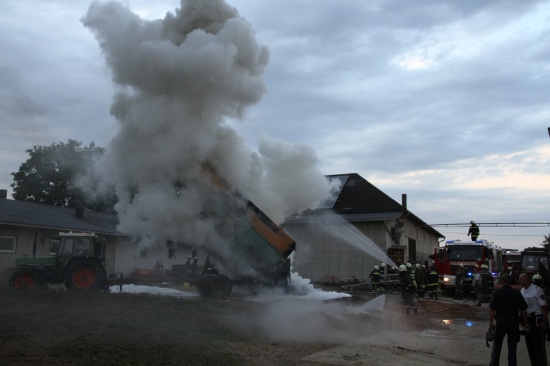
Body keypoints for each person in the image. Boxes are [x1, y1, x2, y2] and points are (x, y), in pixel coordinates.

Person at [489, 273, 529, 366]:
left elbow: (492, 310)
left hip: (501, 321)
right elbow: (523, 310)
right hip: (513, 321)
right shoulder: (516, 293)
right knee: (512, 347)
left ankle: (494, 364)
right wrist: (526, 323)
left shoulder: (497, 293)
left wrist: (491, 322)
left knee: (497, 345)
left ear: (502, 281)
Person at [519, 273, 548, 366]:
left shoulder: (537, 290)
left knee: (538, 346)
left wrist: (544, 320)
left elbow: (543, 306)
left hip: (537, 320)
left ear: (527, 280)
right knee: (530, 346)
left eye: (521, 279)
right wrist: (523, 322)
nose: (519, 281)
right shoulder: (522, 291)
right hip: (527, 320)